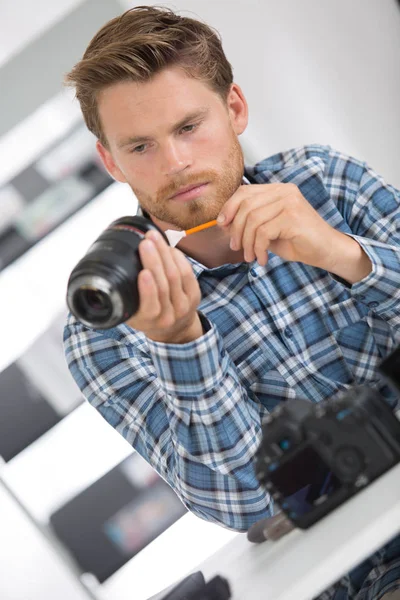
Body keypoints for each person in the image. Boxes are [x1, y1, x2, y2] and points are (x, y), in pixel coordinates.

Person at [63, 6, 400, 599]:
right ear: (111, 161)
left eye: (189, 126)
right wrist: (182, 345)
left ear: (235, 108)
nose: (176, 164)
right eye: (140, 146)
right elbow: (247, 502)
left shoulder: (326, 181)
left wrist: (341, 252)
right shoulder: (106, 330)